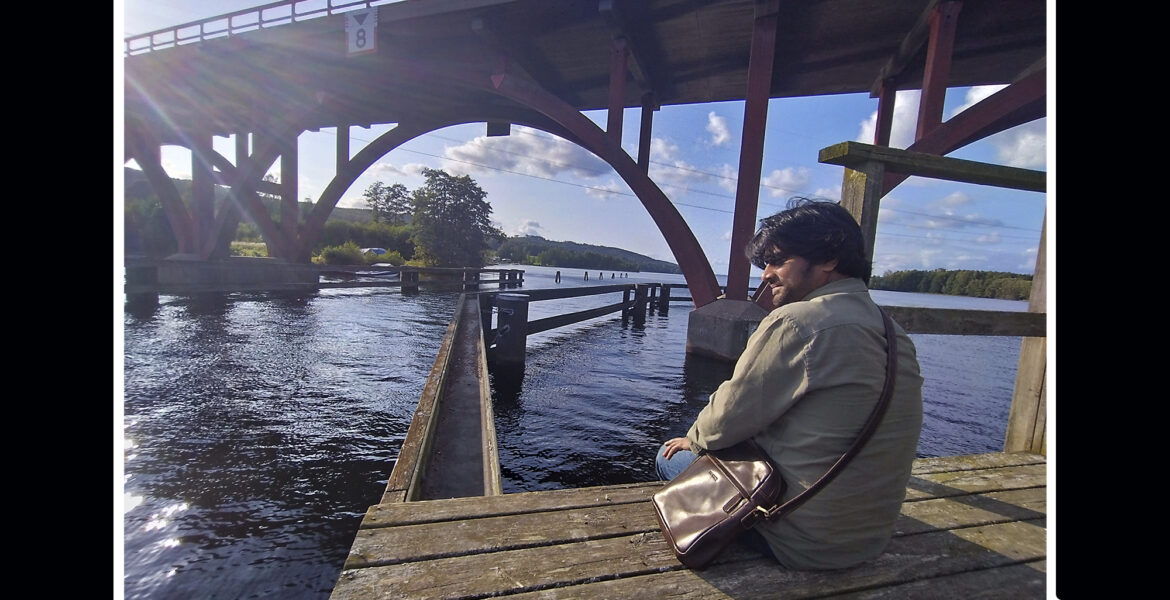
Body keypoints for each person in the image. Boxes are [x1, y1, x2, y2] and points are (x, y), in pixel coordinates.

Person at [656, 198, 924, 570]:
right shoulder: (892, 332)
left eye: (778, 260)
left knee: (672, 456)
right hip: (867, 539)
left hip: (800, 541)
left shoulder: (797, 322)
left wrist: (695, 438)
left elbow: (723, 421)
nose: (766, 274)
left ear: (828, 259)